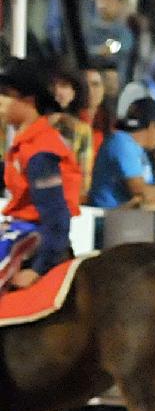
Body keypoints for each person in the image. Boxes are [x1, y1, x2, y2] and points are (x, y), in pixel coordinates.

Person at [0, 60, 84, 288]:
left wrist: (38, 269)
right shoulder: (27, 144)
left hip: (33, 241)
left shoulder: (40, 151)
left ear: (28, 100)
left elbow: (57, 217)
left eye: (5, 95)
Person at [88, 97, 155, 209]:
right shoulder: (121, 142)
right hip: (108, 215)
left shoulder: (144, 152)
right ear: (152, 125)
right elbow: (139, 190)